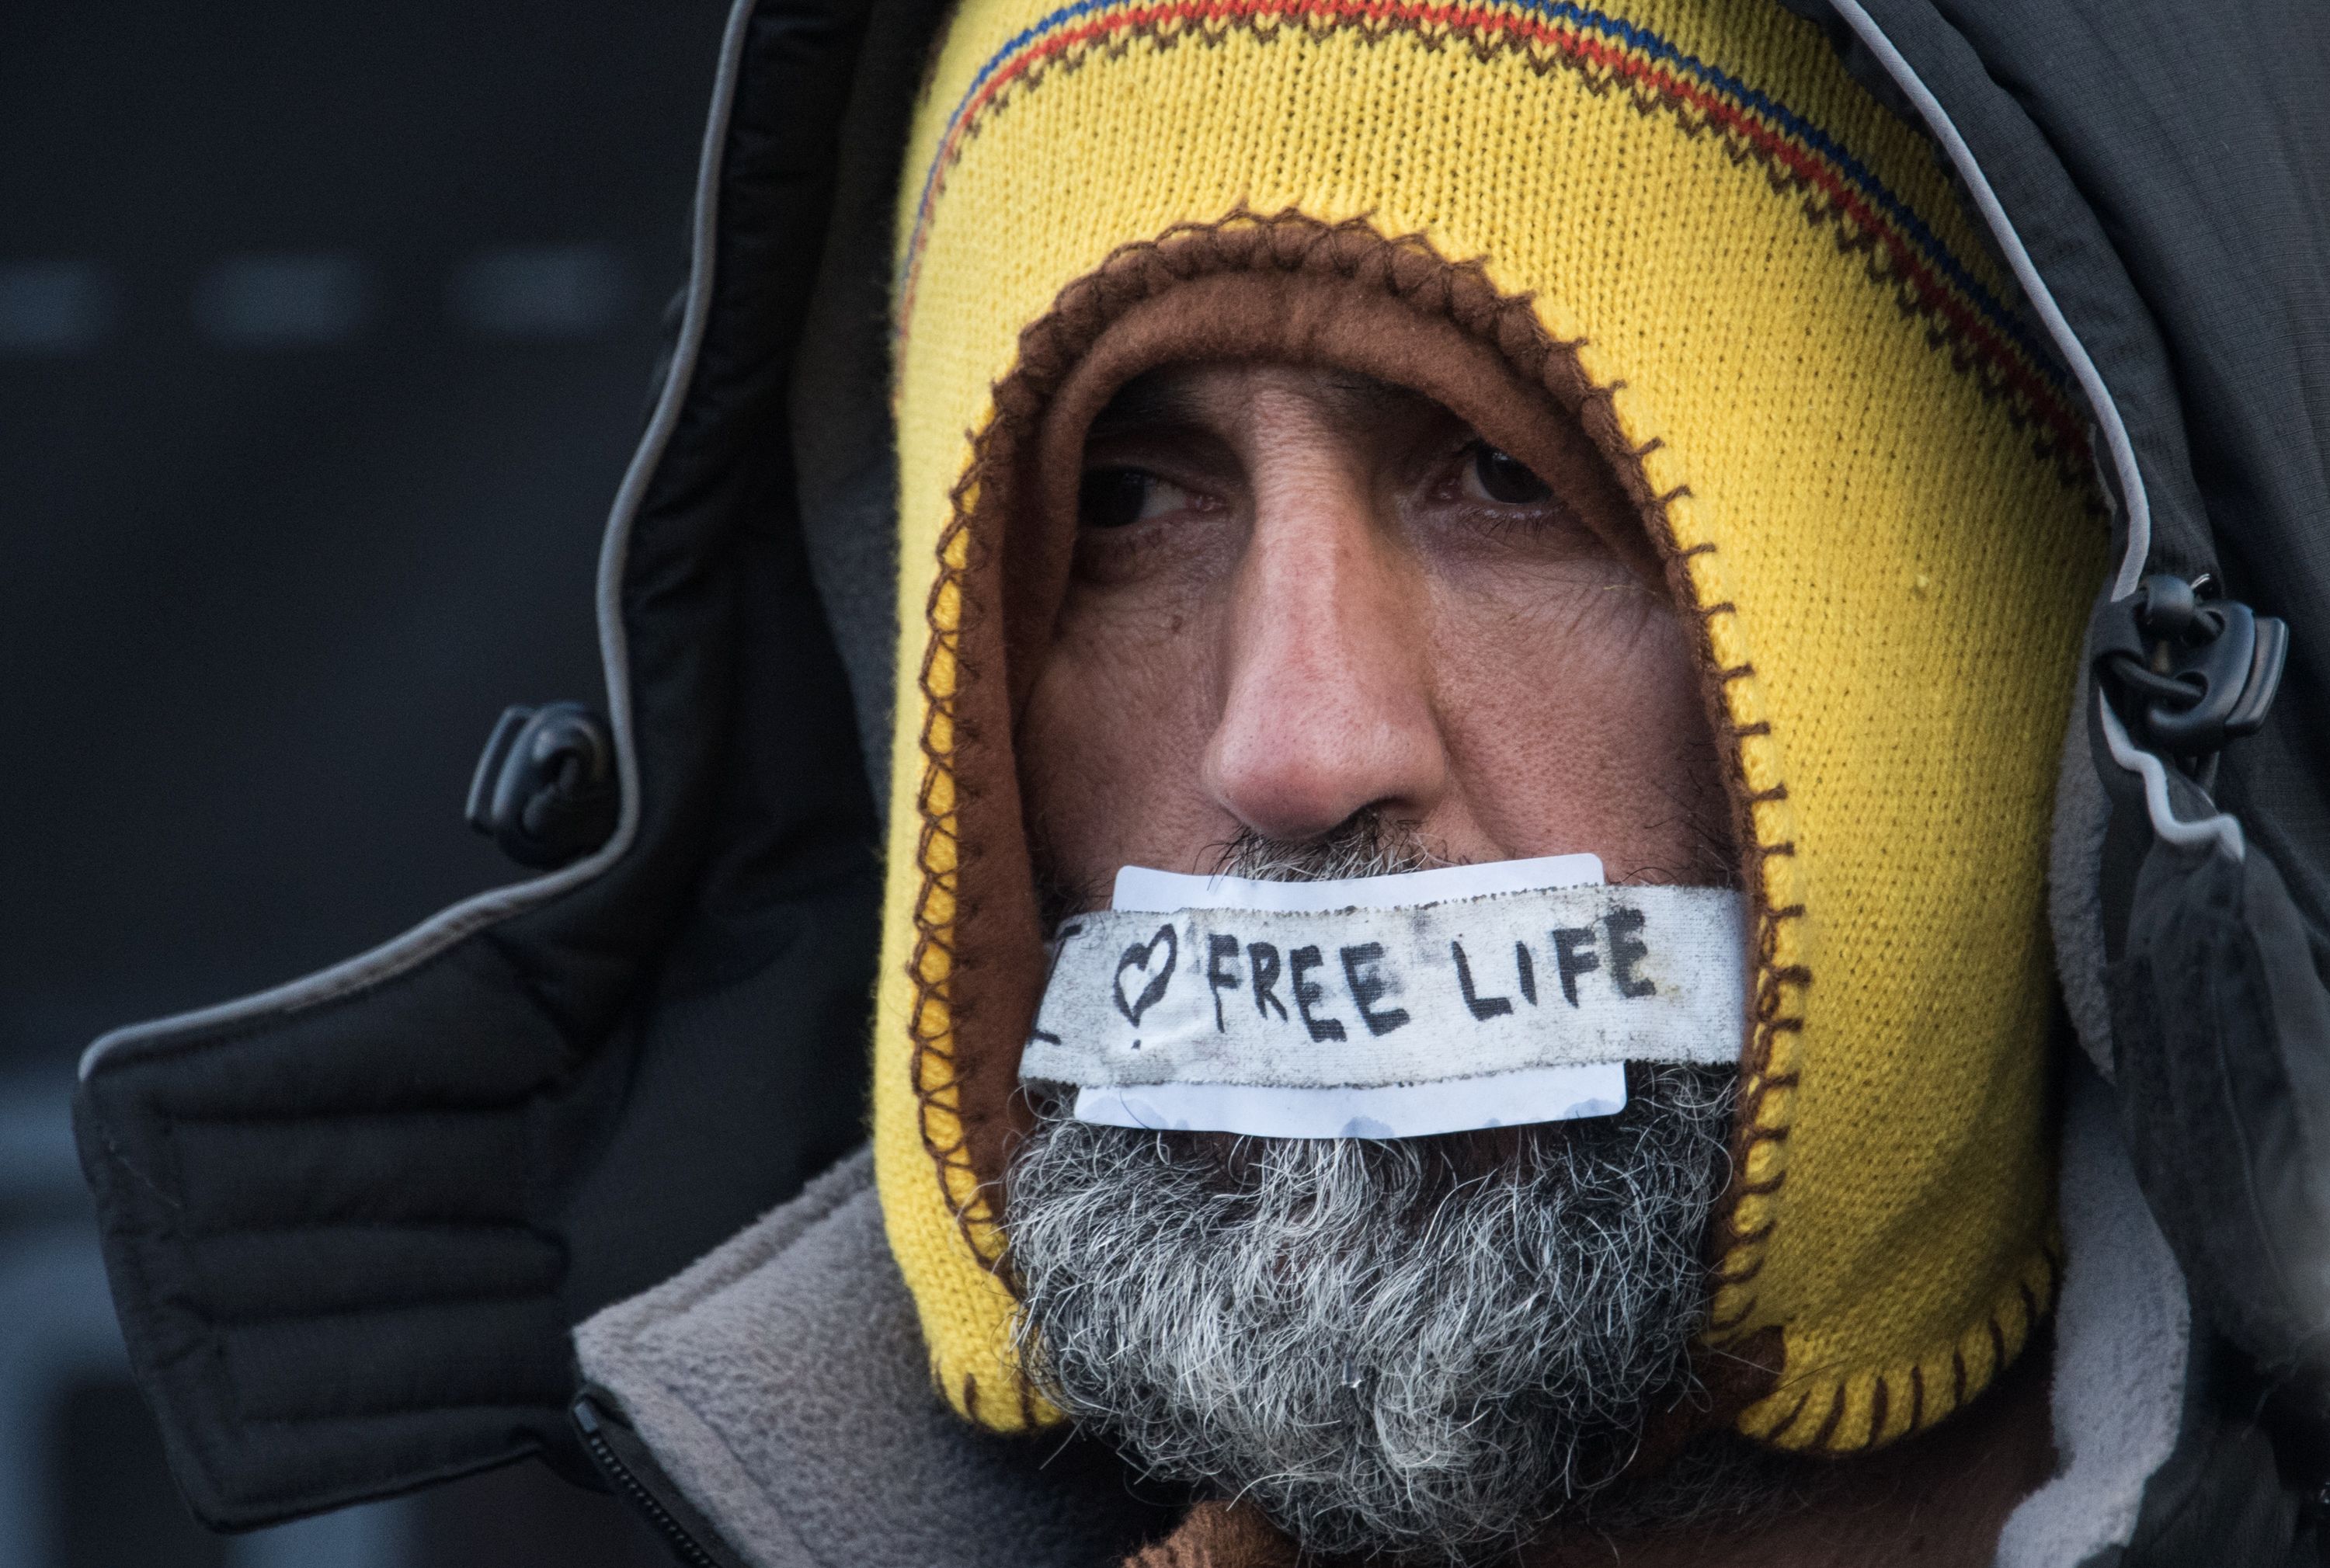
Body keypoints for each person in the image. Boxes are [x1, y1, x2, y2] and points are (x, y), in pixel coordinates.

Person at [75, 0, 2330, 1564]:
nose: (1295, 746)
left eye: (1503, 479)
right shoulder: (616, 1497)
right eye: (1134, 507)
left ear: (1961, 641)